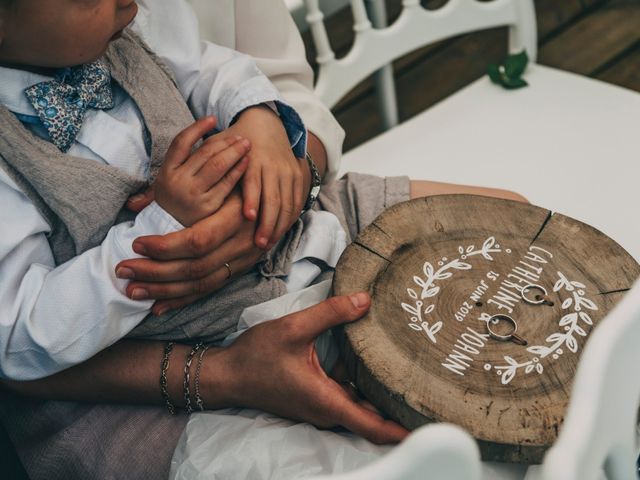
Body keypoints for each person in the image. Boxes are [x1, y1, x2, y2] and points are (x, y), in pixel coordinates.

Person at [0, 0, 527, 478]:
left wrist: (262, 120)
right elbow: (21, 336)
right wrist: (163, 226)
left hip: (302, 233)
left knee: (517, 235)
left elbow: (220, 68)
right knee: (404, 454)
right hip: (194, 339)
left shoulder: (126, 27)